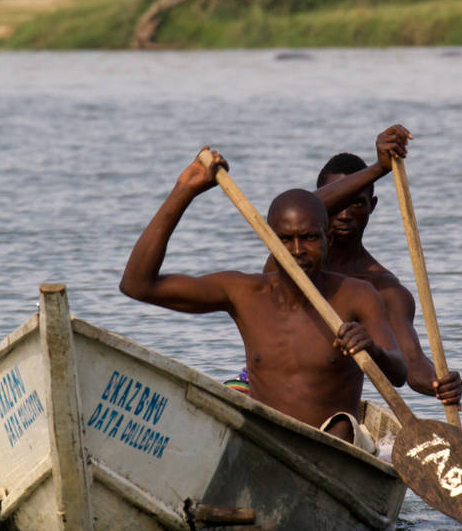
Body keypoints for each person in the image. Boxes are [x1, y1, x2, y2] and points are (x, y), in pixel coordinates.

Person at [120, 150, 407, 452]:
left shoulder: (357, 295)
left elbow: (398, 372)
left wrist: (371, 348)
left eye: (309, 237)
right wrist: (184, 191)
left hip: (338, 447)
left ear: (328, 240)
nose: (297, 250)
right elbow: (137, 285)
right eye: (285, 239)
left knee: (341, 426)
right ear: (270, 242)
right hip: (267, 445)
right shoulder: (243, 293)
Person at [312, 125, 462, 408]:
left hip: (331, 405)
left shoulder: (383, 287)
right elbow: (302, 207)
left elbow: (411, 364)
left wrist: (440, 383)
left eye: (356, 204)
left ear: (372, 206)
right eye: (338, 202)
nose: (344, 215)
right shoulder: (291, 257)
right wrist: (379, 168)